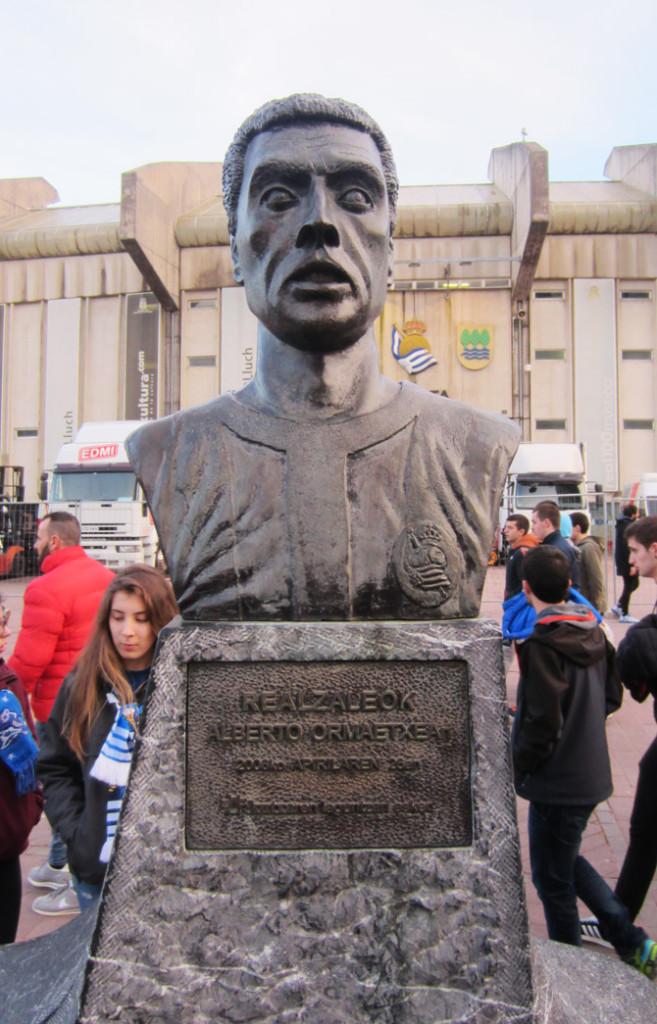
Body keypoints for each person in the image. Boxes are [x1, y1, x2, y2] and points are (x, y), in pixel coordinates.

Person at [127, 94, 520, 622]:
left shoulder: (476, 446)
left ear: (391, 254)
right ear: (235, 250)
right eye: (277, 197)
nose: (320, 223)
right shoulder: (170, 453)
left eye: (356, 196)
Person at [511, 545, 657, 977]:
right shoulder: (595, 631)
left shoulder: (541, 643)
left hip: (558, 779)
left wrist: (521, 762)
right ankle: (631, 941)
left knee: (552, 881)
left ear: (525, 589)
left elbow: (542, 721)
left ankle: (573, 972)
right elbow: (611, 698)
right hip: (592, 771)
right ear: (570, 586)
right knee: (565, 859)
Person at [35, 566, 178, 912]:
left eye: (141, 619)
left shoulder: (179, 685)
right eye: (118, 617)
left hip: (166, 869)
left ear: (160, 621)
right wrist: (78, 834)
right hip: (97, 867)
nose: (127, 632)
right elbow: (55, 767)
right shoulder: (82, 685)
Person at [8, 512, 114, 912]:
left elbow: (29, 664)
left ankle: (73, 874)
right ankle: (57, 863)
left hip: (58, 705)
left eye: (37, 539)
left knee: (61, 784)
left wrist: (8, 695)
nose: (33, 546)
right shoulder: (104, 577)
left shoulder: (44, 589)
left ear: (54, 542)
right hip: (101, 701)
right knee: (90, 784)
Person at [0, 600, 43, 943]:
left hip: (4, 849)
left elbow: (33, 760)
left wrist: (31, 808)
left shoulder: (7, 683)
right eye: (0, 622)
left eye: (5, 619)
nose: (7, 631)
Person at [530, 500, 580, 590]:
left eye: (534, 522)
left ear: (546, 523)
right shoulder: (552, 545)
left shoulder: (555, 550)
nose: (532, 528)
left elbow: (555, 590)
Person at [570, 511, 607, 615]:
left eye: (570, 527)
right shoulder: (577, 546)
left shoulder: (588, 547)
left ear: (577, 528)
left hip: (590, 604)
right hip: (583, 602)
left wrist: (597, 606)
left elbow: (596, 577)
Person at [613, 503, 640, 622]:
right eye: (637, 513)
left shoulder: (622, 524)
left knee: (633, 584)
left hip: (622, 559)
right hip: (626, 560)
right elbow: (627, 546)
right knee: (630, 584)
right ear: (633, 515)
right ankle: (624, 613)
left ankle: (619, 605)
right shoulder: (628, 527)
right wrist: (632, 565)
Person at [503, 514, 538, 600]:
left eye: (510, 528)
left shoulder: (522, 553)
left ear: (521, 532)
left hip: (517, 603)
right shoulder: (515, 550)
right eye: (505, 527)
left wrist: (512, 601)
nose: (505, 531)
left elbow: (525, 585)